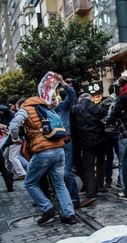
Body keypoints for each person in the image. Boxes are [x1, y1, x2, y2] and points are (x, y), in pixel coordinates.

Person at [8, 96, 76, 225]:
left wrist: (15, 138)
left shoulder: (25, 109)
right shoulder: (47, 108)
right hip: (59, 149)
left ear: (21, 105)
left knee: (29, 183)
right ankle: (69, 215)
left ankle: (47, 208)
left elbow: (13, 126)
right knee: (60, 184)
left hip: (43, 151)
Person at [72, 93, 106, 207]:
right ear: (90, 99)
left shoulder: (75, 109)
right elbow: (103, 118)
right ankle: (100, 184)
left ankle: (91, 193)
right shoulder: (95, 106)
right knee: (101, 162)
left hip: (85, 141)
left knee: (88, 167)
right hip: (100, 139)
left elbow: (74, 127)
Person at [53, 74, 80, 208]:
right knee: (57, 175)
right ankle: (65, 199)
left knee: (67, 173)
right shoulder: (44, 111)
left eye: (53, 98)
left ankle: (75, 200)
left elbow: (71, 93)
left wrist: (62, 82)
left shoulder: (63, 107)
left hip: (66, 142)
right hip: (52, 146)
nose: (51, 100)